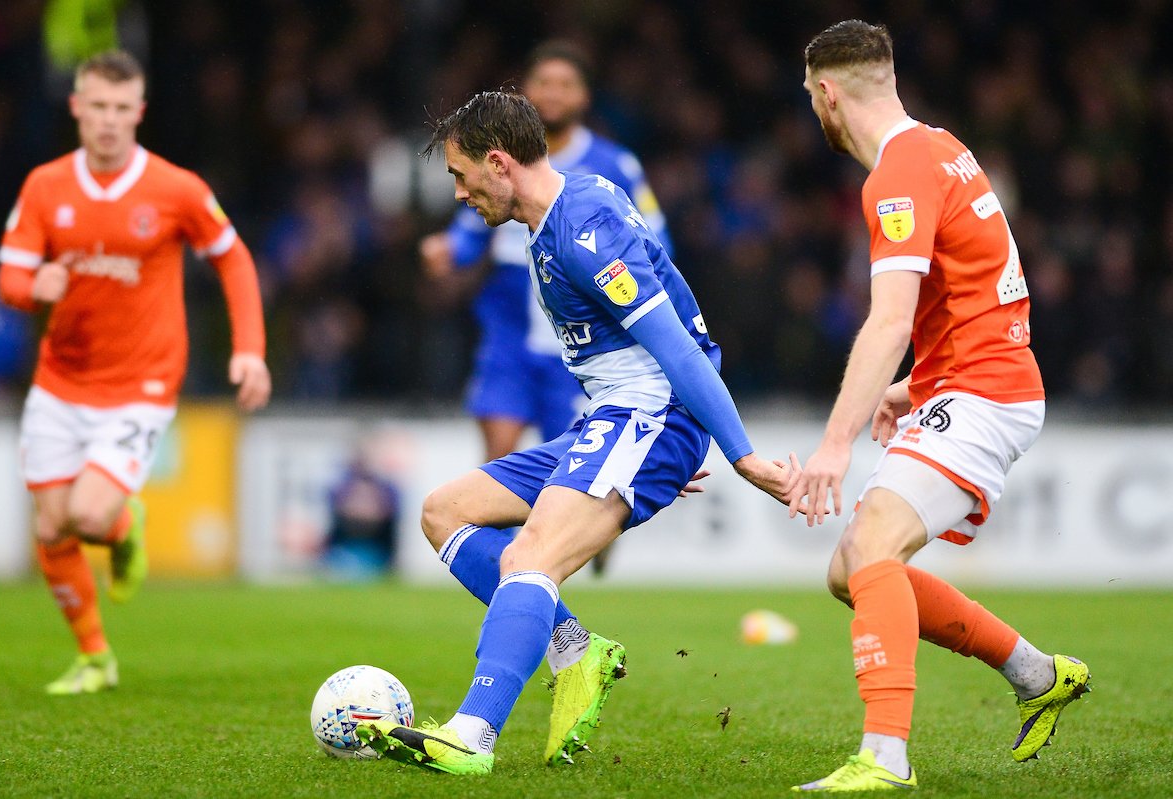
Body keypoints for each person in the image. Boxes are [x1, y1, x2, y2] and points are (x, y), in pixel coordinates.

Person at [354, 90, 802, 775]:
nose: (459, 191)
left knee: (528, 556)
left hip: (650, 415)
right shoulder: (562, 210)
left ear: (498, 162)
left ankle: (472, 734)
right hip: (616, 419)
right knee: (445, 512)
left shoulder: (585, 230)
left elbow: (679, 349)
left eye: (459, 173)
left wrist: (739, 456)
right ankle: (573, 646)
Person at [786, 21, 1089, 792]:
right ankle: (1035, 672)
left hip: (985, 389)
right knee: (850, 570)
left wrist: (834, 441)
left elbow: (889, 318)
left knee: (875, 545)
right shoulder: (944, 146)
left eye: (810, 96)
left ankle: (885, 757)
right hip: (973, 379)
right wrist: (916, 384)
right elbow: (980, 282)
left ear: (827, 94)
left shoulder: (895, 174)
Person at [0, 50, 270, 695]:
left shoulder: (176, 189)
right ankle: (95, 656)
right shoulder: (45, 186)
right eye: (98, 107)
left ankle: (123, 524)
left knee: (89, 516)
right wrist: (36, 283)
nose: (110, 121)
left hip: (141, 382)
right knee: (49, 524)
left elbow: (233, 261)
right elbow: (9, 277)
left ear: (139, 113)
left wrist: (249, 348)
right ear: (77, 108)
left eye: (122, 109)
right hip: (61, 378)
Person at [419, 40, 672, 463]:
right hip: (509, 329)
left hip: (577, 336)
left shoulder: (614, 165)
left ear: (585, 95)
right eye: (543, 83)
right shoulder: (496, 159)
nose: (553, 93)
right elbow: (469, 232)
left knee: (581, 471)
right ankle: (501, 527)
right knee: (498, 459)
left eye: (565, 84)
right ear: (525, 92)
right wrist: (449, 249)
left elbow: (656, 240)